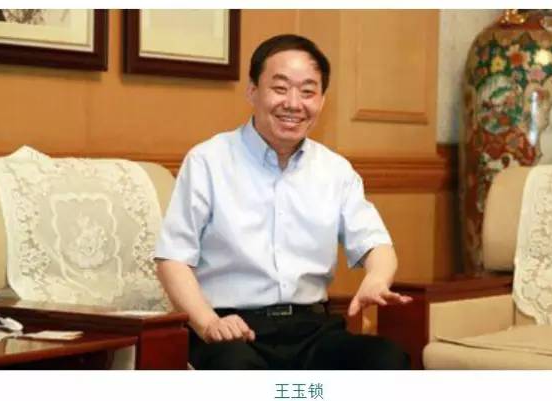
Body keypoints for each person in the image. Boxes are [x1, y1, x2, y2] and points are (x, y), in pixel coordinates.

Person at [154, 34, 411, 370]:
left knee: (386, 359)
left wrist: (376, 279)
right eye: (280, 88)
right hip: (232, 328)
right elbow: (173, 258)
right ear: (252, 91)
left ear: (322, 100)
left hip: (312, 328)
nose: (293, 103)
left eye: (307, 92)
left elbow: (376, 243)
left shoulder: (335, 170)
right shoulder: (208, 161)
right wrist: (208, 323)